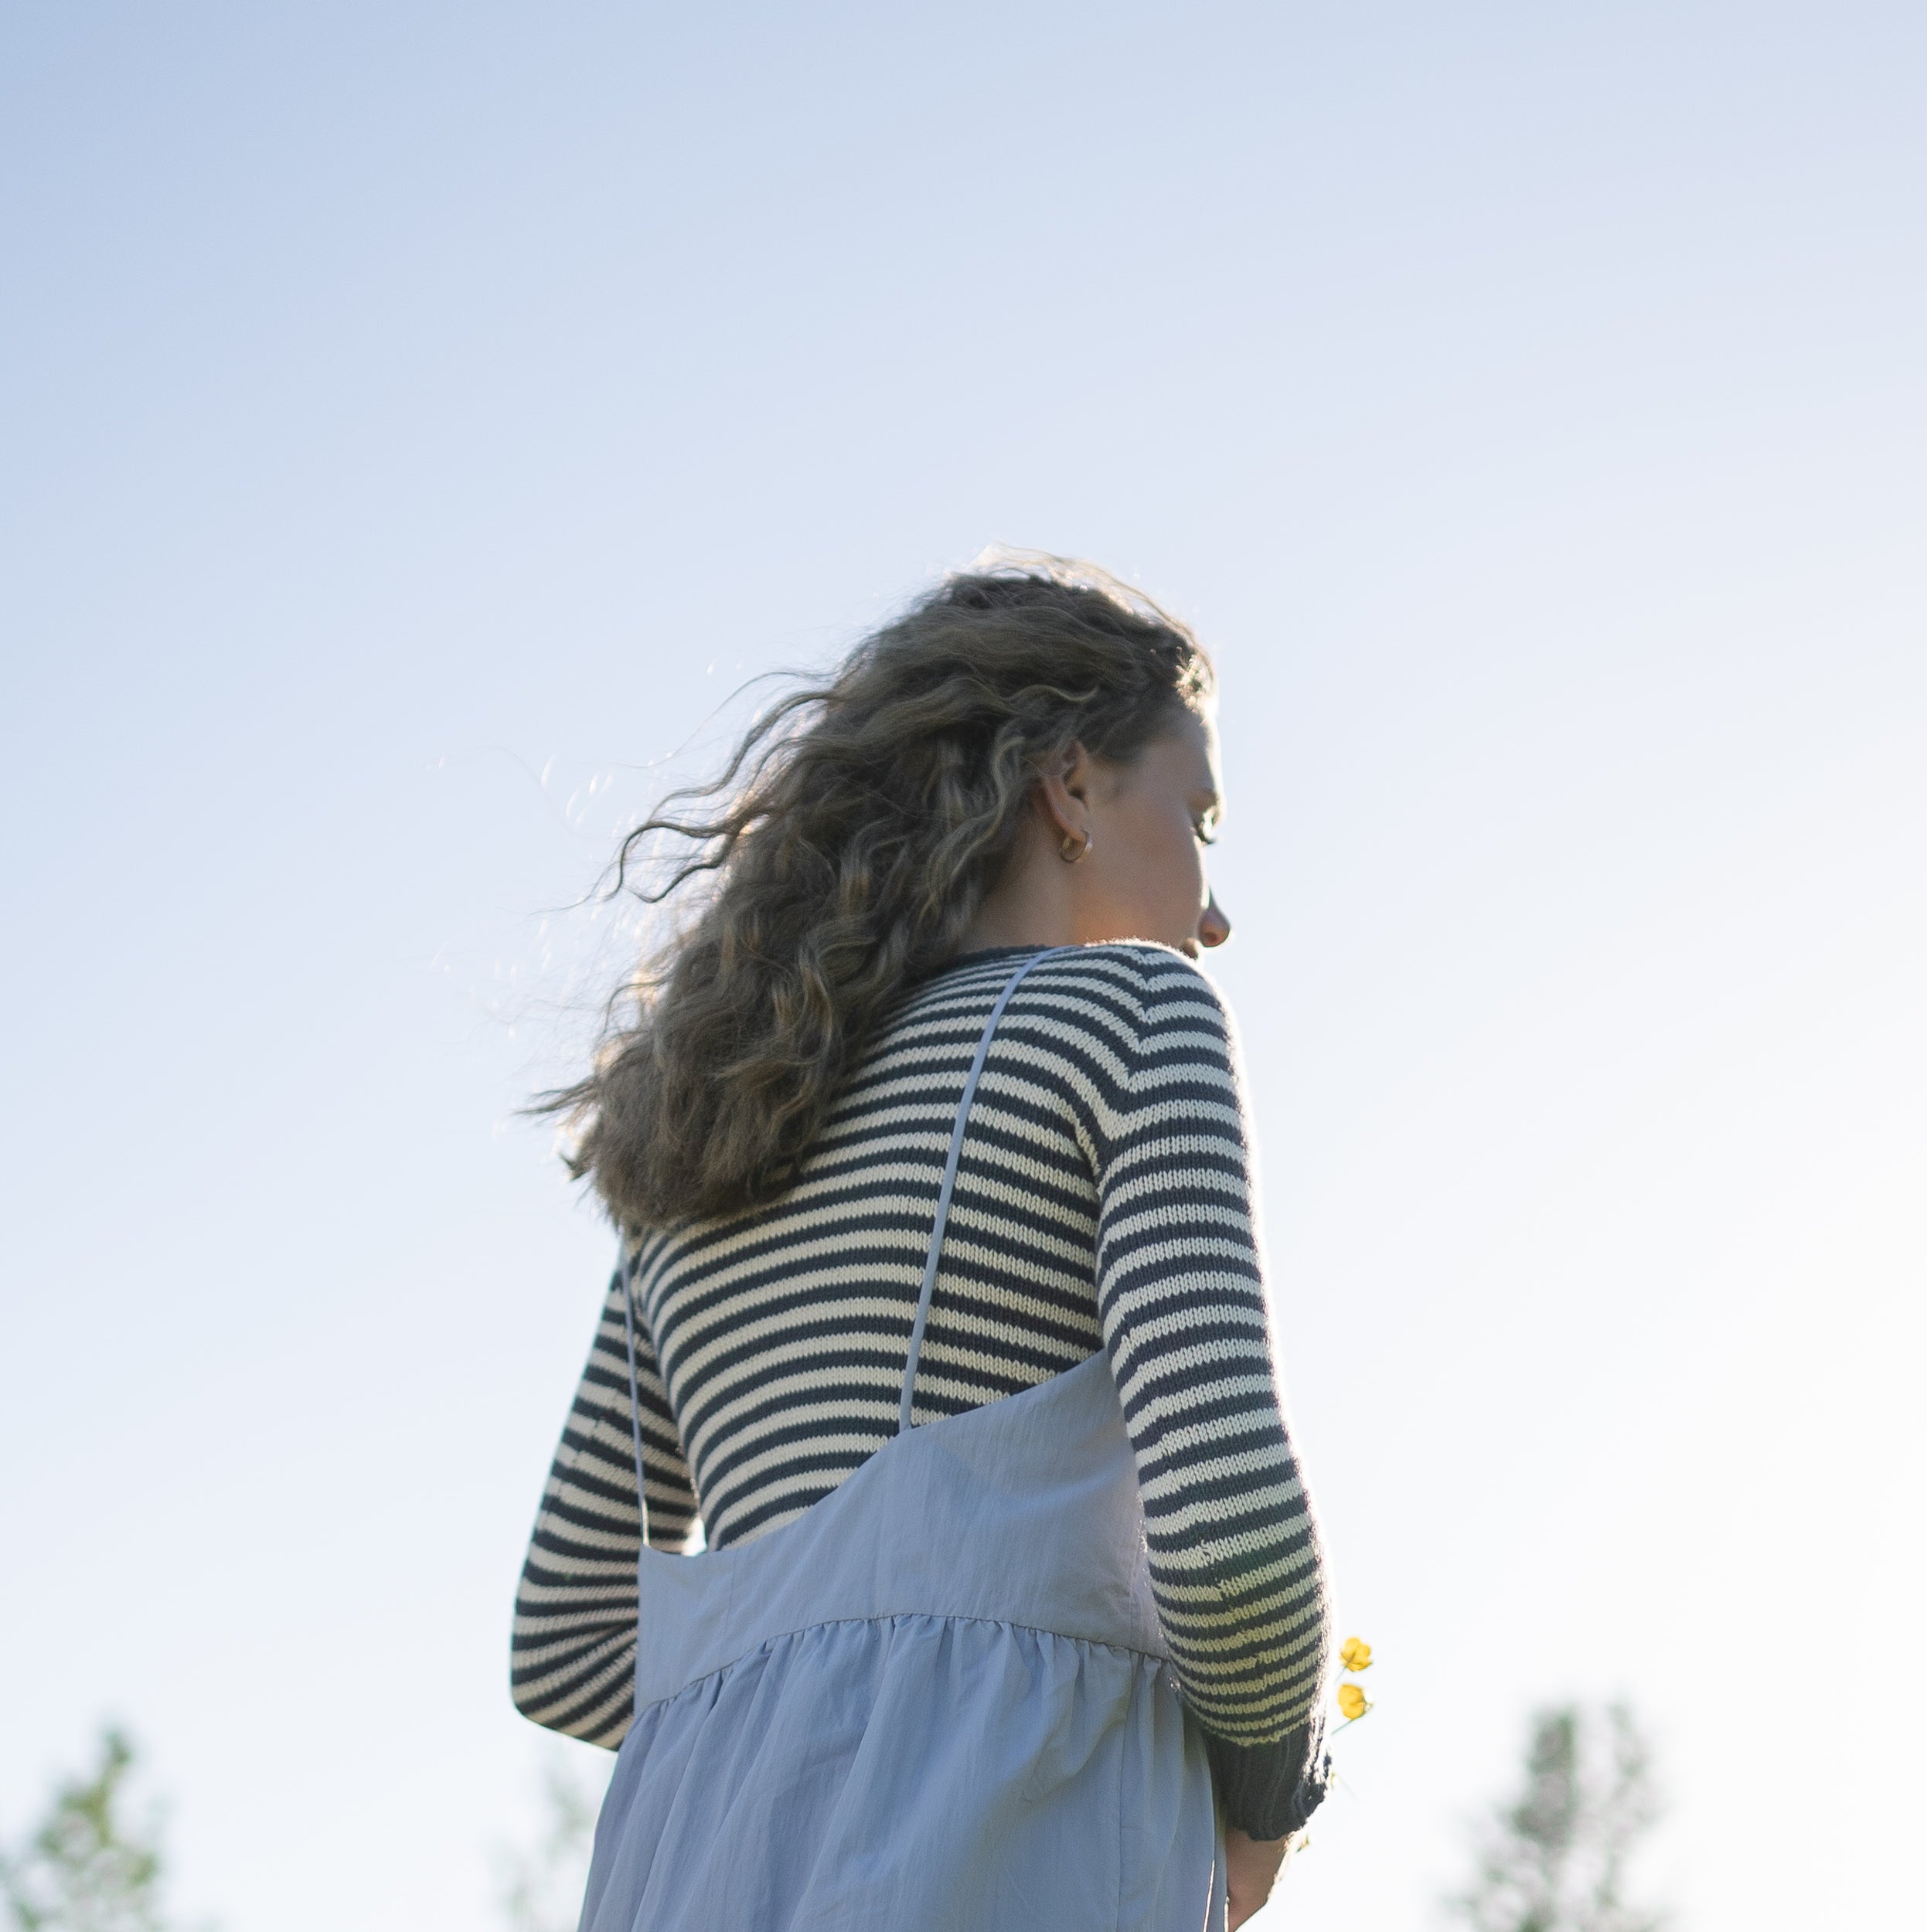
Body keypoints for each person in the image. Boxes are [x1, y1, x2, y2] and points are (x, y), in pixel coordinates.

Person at [510, 560, 1333, 1930]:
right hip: (1005, 1848)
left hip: (692, 1877)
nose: (1213, 911)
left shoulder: (703, 1133)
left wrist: (792, 1721)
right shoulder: (1129, 1015)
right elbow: (1232, 1533)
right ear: (1070, 785)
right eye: (1197, 818)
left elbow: (568, 1644)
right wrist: (1260, 1801)